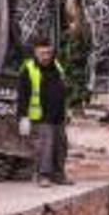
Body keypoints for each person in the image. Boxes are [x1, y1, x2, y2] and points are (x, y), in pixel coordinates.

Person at [17, 42, 73, 187]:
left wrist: (67, 110)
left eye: (48, 52)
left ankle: (59, 174)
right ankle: (43, 175)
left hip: (58, 115)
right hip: (41, 115)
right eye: (42, 53)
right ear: (35, 53)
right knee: (45, 146)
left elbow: (63, 91)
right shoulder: (29, 69)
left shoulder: (57, 67)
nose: (46, 56)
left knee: (61, 146)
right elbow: (23, 95)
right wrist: (23, 116)